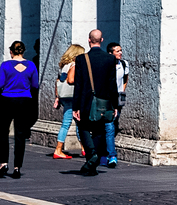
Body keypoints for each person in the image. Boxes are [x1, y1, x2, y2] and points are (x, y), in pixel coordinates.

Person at [70, 30, 119, 176]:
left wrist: (75, 106)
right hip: (104, 101)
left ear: (89, 40)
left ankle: (92, 155)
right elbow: (112, 84)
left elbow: (78, 85)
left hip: (86, 101)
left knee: (83, 126)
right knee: (99, 129)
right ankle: (93, 162)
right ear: (102, 40)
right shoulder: (110, 59)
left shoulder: (81, 59)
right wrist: (115, 104)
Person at [0, 42, 40, 179]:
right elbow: (35, 85)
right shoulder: (31, 65)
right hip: (24, 101)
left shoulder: (5, 65)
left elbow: (0, 84)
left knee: (3, 132)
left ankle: (3, 163)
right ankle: (17, 167)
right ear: (23, 51)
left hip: (7, 100)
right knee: (20, 134)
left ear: (11, 52)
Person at [51, 45, 85, 159]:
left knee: (73, 122)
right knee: (73, 123)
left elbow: (58, 81)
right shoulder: (74, 65)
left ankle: (84, 148)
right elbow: (71, 80)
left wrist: (57, 97)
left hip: (64, 96)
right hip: (72, 97)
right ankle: (58, 149)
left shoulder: (64, 66)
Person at [103, 43, 127, 166]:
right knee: (109, 126)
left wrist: (122, 90)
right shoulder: (106, 65)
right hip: (107, 98)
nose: (120, 53)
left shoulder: (123, 64)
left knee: (112, 124)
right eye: (117, 51)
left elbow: (125, 78)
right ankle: (111, 155)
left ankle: (107, 152)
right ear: (110, 53)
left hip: (118, 97)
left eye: (120, 50)